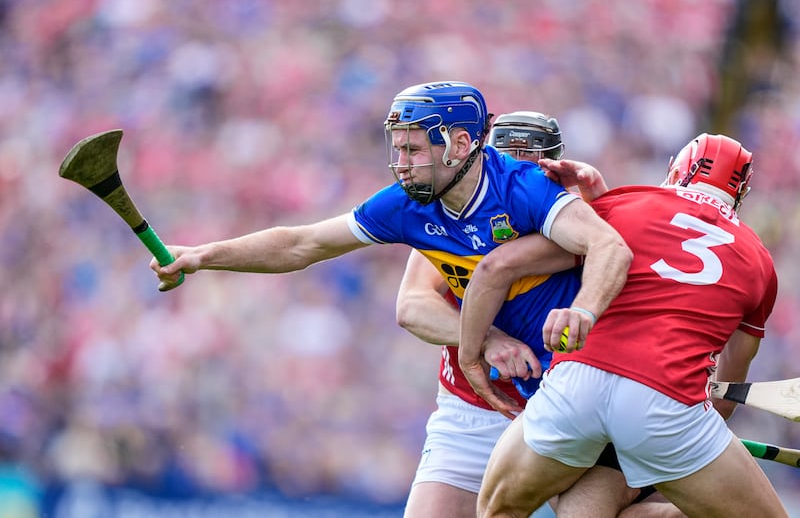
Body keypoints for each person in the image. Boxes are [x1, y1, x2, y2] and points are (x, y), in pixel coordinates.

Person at [150, 80, 632, 507]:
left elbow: (610, 247)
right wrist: (202, 255)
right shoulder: (416, 207)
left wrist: (583, 307)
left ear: (462, 145)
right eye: (398, 148)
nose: (401, 164)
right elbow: (305, 244)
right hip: (476, 403)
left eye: (413, 150)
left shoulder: (535, 193)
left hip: (564, 392)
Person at [457, 133, 788, 517]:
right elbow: (725, 392)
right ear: (741, 192)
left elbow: (499, 266)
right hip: (666, 400)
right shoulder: (760, 262)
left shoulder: (626, 202)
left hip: (577, 383)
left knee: (499, 508)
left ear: (676, 170)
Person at [397, 111, 680, 518]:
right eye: (505, 161)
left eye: (529, 164)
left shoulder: (580, 220)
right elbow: (412, 305)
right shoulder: (453, 217)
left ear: (552, 168)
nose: (514, 176)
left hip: (560, 408)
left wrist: (603, 205)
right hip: (471, 408)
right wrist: (488, 339)